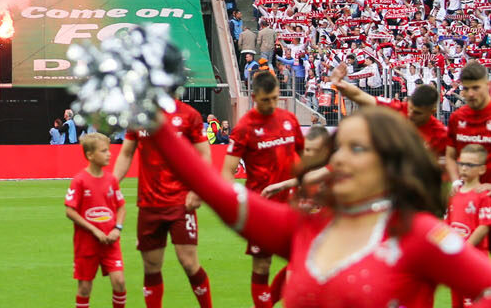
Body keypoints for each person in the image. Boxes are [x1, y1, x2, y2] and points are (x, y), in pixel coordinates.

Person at [146, 102, 491, 306]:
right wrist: (153, 119)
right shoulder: (306, 226)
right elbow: (216, 190)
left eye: (357, 149)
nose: (339, 159)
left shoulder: (419, 234)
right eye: (338, 147)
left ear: (392, 162)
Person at [110, 97, 213, 308]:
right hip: (148, 204)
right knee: (151, 266)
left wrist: (198, 188)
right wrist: (110, 184)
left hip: (181, 202)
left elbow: (204, 155)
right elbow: (127, 153)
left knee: (189, 262)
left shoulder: (189, 115)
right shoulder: (139, 115)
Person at [223, 72, 303, 308]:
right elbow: (227, 172)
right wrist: (236, 206)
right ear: (254, 96)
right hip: (261, 209)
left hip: (292, 206)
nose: (271, 104)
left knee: (303, 261)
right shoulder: (244, 127)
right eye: (265, 100)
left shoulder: (289, 119)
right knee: (262, 266)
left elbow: (307, 157)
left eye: (275, 99)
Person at [66, 133, 126, 308]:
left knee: (119, 282)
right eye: (104, 151)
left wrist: (118, 228)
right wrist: (94, 230)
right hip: (86, 243)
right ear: (90, 155)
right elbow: (70, 210)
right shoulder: (79, 181)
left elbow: (121, 206)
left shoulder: (112, 180)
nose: (109, 154)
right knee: (84, 288)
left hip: (110, 242)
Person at [332, 73, 448, 162]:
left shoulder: (440, 134)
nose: (410, 114)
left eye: (417, 113)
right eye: (410, 108)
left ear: (432, 111)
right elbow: (360, 95)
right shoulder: (398, 108)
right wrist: (341, 84)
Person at [447, 143, 491, 308]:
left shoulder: (484, 195)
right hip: (456, 258)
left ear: (481, 169)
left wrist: (464, 249)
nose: (464, 168)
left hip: (474, 258)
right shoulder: (454, 193)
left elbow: (484, 225)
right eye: (461, 163)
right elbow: (447, 225)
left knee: (473, 301)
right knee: (456, 300)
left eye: (470, 165)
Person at [448, 61, 491, 170]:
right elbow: (450, 156)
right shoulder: (456, 117)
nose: (470, 94)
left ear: (487, 85)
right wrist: (456, 182)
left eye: (475, 88)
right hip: (465, 184)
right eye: (466, 89)